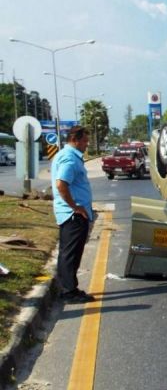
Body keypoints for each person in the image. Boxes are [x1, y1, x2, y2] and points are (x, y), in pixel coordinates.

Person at [51, 125, 96, 303]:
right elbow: (61, 184)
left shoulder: (68, 156)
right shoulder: (69, 158)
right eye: (84, 141)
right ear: (75, 140)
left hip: (71, 214)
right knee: (71, 253)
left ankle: (67, 287)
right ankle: (69, 291)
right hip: (73, 215)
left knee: (67, 252)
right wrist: (75, 206)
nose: (87, 144)